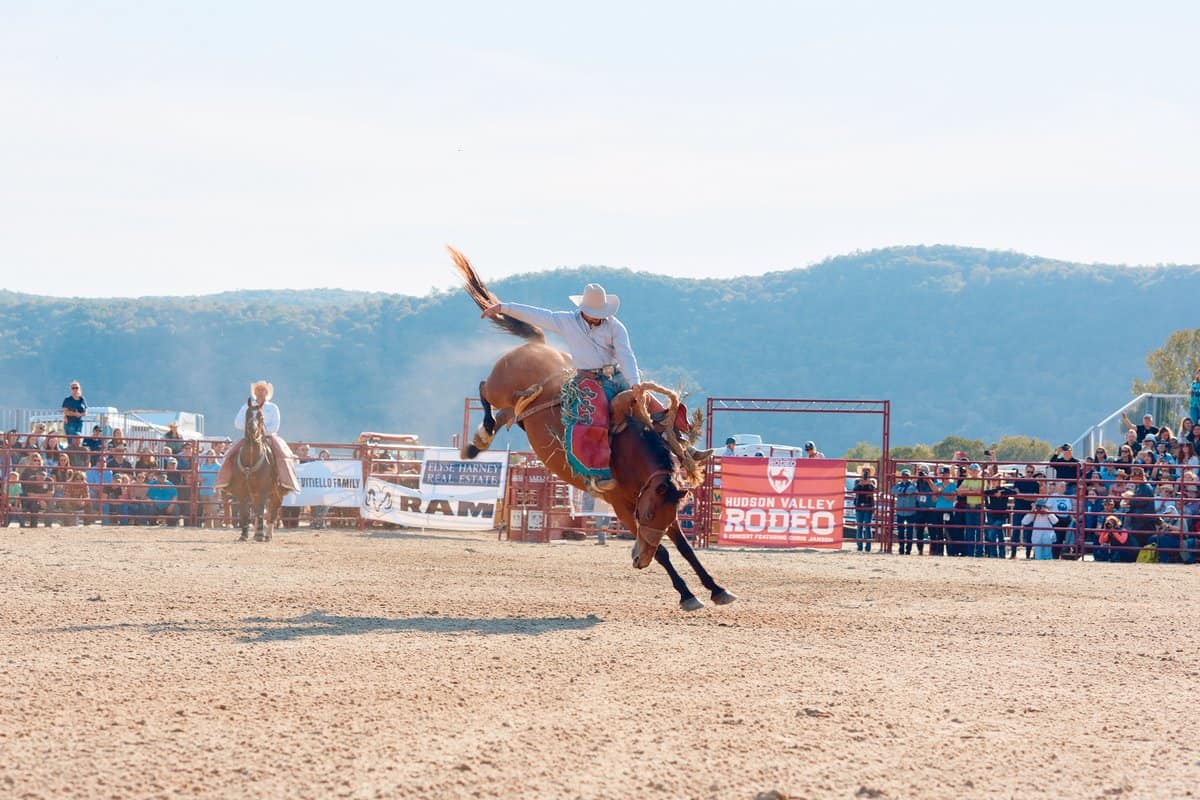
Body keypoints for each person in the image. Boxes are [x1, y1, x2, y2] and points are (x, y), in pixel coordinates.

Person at [481, 284, 699, 494]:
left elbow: (626, 354)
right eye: (595, 312)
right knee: (592, 417)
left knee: (654, 407)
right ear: (584, 310)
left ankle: (684, 448)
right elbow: (539, 315)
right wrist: (504, 307)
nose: (598, 316)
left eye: (601, 312)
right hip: (588, 380)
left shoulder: (615, 326)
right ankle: (597, 473)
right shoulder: (567, 321)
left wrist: (634, 382)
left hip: (616, 375)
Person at [214, 381, 300, 495]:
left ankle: (285, 483)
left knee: (283, 455)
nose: (260, 392)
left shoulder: (273, 407)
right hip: (249, 436)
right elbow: (237, 422)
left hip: (269, 437)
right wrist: (251, 428)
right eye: (258, 390)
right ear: (255, 392)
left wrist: (262, 431)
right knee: (230, 454)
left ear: (267, 392)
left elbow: (275, 426)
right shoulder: (246, 406)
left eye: (263, 390)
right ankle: (226, 482)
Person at [891, 468, 919, 554]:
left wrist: (901, 491)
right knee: (901, 531)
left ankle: (908, 549)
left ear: (909, 477)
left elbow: (909, 491)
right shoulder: (899, 485)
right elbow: (892, 491)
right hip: (900, 511)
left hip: (910, 511)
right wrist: (903, 491)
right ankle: (901, 547)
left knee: (910, 531)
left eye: (906, 476)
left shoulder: (913, 485)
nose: (905, 477)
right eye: (903, 476)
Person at [852, 466, 876, 552]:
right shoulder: (857, 481)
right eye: (864, 471)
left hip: (868, 505)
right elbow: (854, 490)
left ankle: (868, 546)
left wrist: (868, 483)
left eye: (867, 471)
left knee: (867, 526)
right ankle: (859, 546)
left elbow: (873, 491)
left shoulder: (872, 481)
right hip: (859, 505)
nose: (866, 473)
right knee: (859, 526)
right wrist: (861, 484)